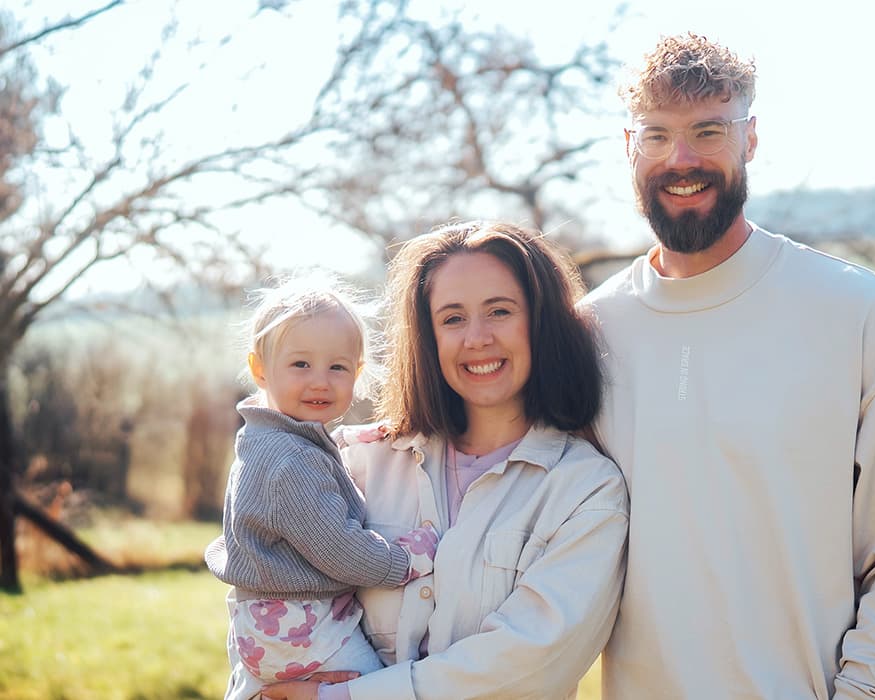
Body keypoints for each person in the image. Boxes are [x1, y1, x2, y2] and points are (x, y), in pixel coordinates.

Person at [581, 33, 875, 699]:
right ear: (628, 146)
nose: (682, 158)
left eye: (708, 131)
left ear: (750, 139)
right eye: (657, 135)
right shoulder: (588, 335)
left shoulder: (858, 312)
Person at [255, 221, 629, 700]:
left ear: (541, 323)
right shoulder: (353, 461)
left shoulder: (586, 490)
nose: (477, 338)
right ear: (428, 337)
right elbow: (264, 599)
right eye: (452, 318)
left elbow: (532, 664)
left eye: (499, 311)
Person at [204, 275, 439, 693]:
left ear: (357, 373)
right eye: (300, 364)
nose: (320, 381)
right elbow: (339, 548)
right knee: (370, 689)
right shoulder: (290, 460)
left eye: (338, 367)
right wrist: (406, 561)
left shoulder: (268, 437)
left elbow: (316, 472)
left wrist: (355, 438)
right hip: (303, 630)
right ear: (260, 368)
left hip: (269, 622)